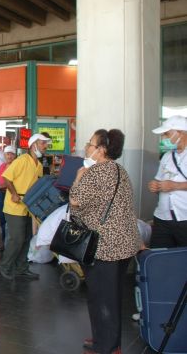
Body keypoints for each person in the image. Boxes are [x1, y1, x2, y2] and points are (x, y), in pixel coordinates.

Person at [70, 129, 142, 354]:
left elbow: (75, 201)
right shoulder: (120, 170)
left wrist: (78, 177)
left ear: (101, 150)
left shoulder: (96, 172)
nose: (86, 148)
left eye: (90, 144)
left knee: (102, 298)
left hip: (104, 247)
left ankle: (108, 347)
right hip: (123, 244)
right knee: (110, 296)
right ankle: (105, 338)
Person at [0, 133, 51, 280]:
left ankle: (21, 268)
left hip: (27, 207)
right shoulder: (22, 160)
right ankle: (5, 266)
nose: (45, 146)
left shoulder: (39, 165)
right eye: (43, 143)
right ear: (34, 145)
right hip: (14, 207)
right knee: (17, 238)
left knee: (27, 238)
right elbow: (6, 178)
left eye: (46, 144)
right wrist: (14, 194)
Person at [148, 115, 187, 248]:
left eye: (167, 134)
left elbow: (172, 184)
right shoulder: (167, 156)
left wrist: (175, 186)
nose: (164, 138)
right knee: (159, 256)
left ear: (180, 133)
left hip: (184, 217)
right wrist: (155, 185)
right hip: (162, 217)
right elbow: (159, 179)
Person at [0, 145, 17, 251]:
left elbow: (11, 183)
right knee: (2, 219)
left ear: (15, 155)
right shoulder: (2, 166)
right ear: (4, 155)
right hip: (1, 194)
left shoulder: (16, 165)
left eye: (11, 154)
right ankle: (5, 244)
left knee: (9, 220)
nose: (9, 156)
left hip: (10, 194)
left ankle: (10, 245)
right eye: (7, 154)